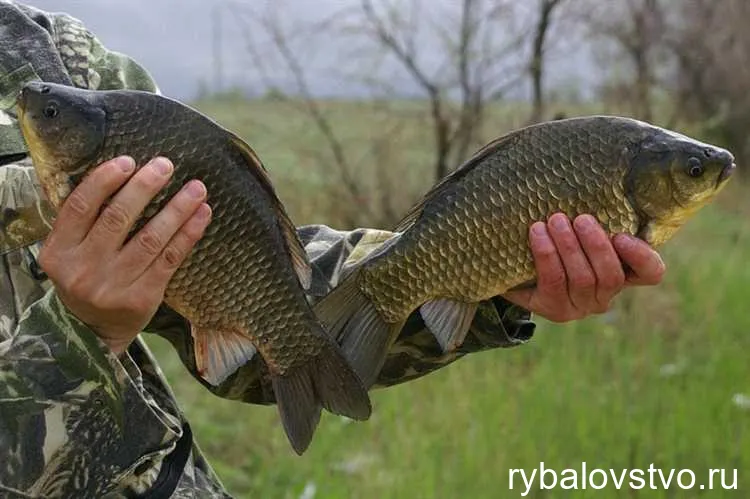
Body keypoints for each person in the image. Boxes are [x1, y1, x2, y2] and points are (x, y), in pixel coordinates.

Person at [0, 2, 666, 497]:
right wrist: (79, 335)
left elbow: (245, 272)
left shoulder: (42, 56)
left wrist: (486, 273)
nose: (41, 107)